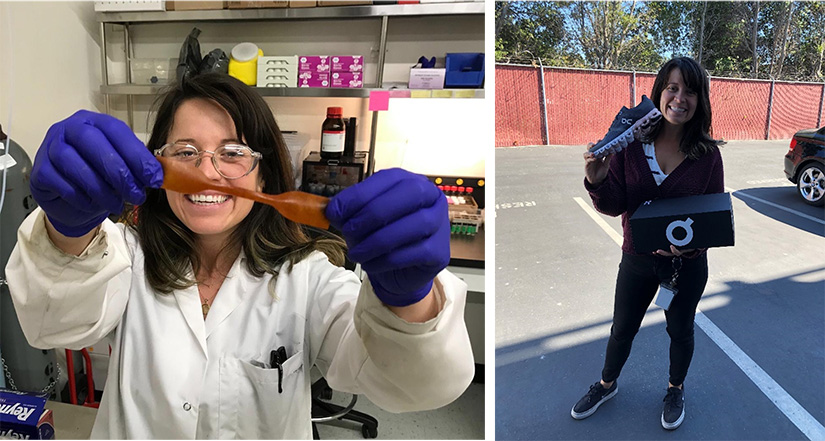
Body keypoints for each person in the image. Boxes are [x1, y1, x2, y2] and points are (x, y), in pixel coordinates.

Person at [5, 73, 475, 439]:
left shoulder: (308, 277)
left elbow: (410, 387)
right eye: (185, 151)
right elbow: (53, 326)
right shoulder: (124, 252)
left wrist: (409, 300)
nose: (207, 171)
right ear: (155, 170)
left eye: (232, 153)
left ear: (263, 175)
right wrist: (67, 231)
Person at [571, 57, 724, 430]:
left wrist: (692, 248)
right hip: (637, 259)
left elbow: (713, 217)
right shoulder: (631, 146)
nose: (680, 98)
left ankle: (675, 389)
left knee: (681, 330)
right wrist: (597, 180)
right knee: (622, 328)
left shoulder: (707, 155)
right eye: (672, 88)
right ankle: (606, 384)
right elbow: (613, 205)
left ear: (700, 100)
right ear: (659, 92)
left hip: (685, 267)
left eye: (690, 91)